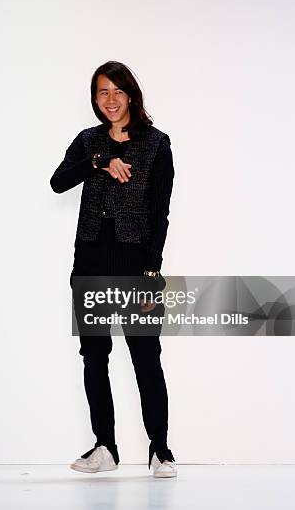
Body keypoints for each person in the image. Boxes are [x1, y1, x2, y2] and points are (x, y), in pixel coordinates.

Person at [50, 60, 176, 478]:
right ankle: (105, 446)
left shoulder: (157, 144)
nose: (110, 100)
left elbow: (160, 213)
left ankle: (160, 450)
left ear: (132, 95)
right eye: (102, 92)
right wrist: (99, 163)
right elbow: (58, 181)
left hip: (135, 263)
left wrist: (152, 269)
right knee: (94, 355)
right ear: (95, 98)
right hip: (89, 259)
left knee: (145, 355)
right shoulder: (88, 142)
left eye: (117, 91)